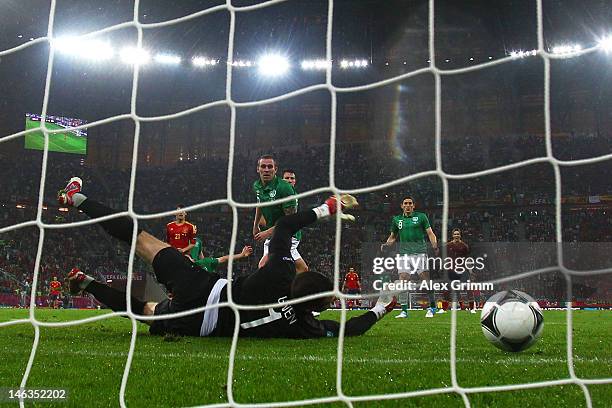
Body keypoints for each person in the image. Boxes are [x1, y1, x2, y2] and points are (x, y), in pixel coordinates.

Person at [58, 177, 395, 338]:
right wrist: (380, 309)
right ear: (316, 307)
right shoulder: (305, 327)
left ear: (298, 277)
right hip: (203, 325)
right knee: (145, 312)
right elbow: (350, 330)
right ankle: (88, 284)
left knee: (139, 237)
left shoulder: (277, 273)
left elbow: (285, 227)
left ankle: (78, 199)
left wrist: (328, 208)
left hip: (203, 285)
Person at [381, 196, 439, 318]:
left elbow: (430, 233)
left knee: (425, 281)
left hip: (420, 252)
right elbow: (393, 236)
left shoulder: (421, 217)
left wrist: (435, 246)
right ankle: (404, 311)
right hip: (403, 254)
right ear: (402, 206)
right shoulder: (397, 219)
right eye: (405, 203)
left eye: (410, 203)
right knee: (403, 281)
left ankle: (432, 307)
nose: (408, 205)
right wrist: (386, 245)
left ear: (413, 205)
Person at [252, 156, 302, 271]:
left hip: (287, 234)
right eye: (263, 166)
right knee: (301, 268)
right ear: (258, 169)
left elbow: (290, 221)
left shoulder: (286, 190)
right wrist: (256, 225)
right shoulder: (257, 186)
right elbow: (259, 204)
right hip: (274, 232)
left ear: (275, 170)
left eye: (292, 178)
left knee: (263, 266)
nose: (266, 169)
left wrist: (266, 232)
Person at [446, 228, 476, 313]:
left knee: (468, 289)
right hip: (451, 270)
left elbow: (467, 260)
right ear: (452, 235)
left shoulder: (465, 246)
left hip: (462, 270)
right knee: (448, 289)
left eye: (458, 234)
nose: (456, 236)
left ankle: (472, 308)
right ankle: (443, 308)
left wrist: (470, 271)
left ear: (460, 235)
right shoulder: (448, 246)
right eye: (455, 234)